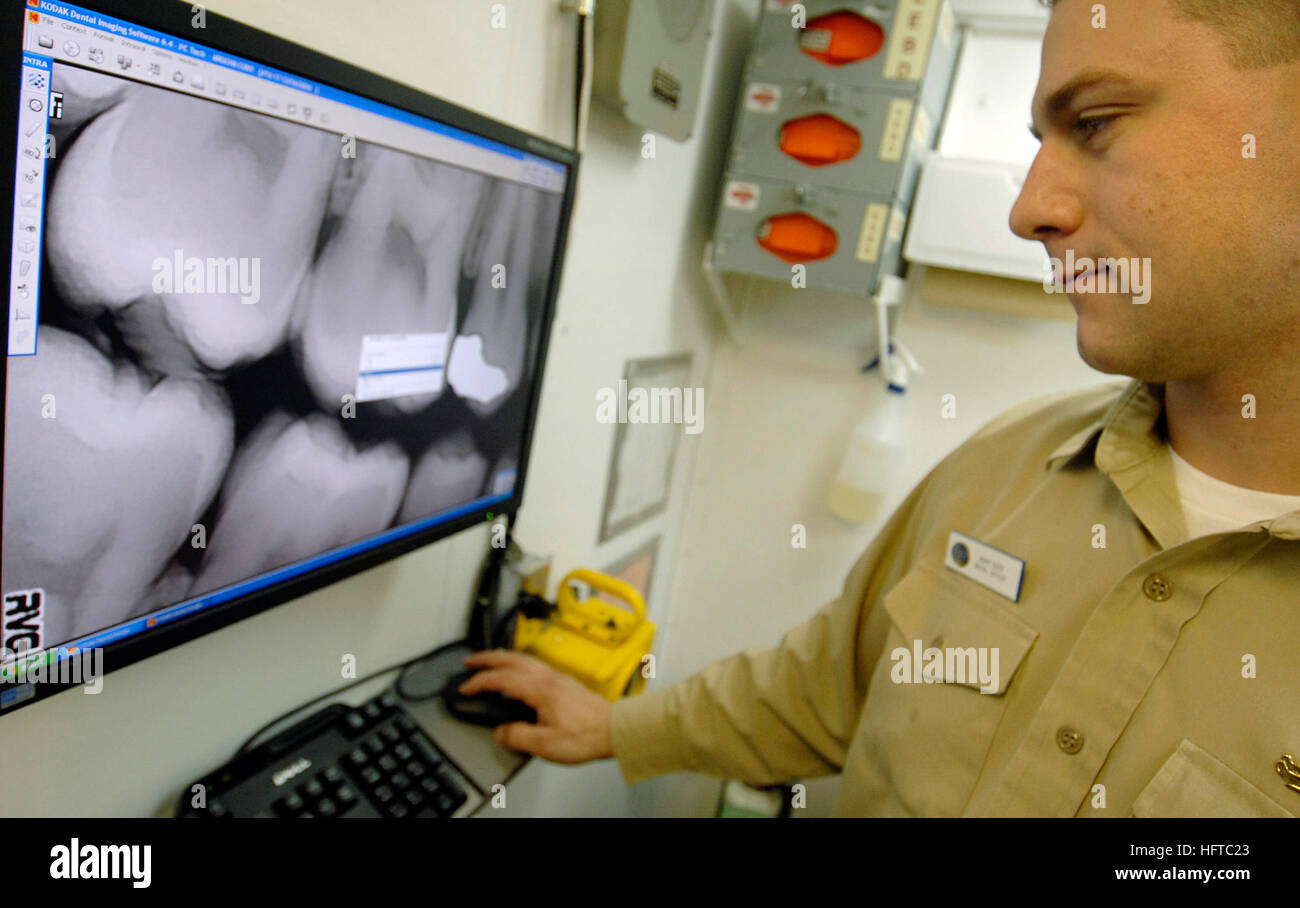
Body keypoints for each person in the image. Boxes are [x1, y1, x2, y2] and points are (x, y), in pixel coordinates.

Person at [458, 0, 1300, 816]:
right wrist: (616, 726)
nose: (1029, 210)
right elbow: (829, 686)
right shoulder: (1012, 465)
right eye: (1039, 143)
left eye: (1097, 122)